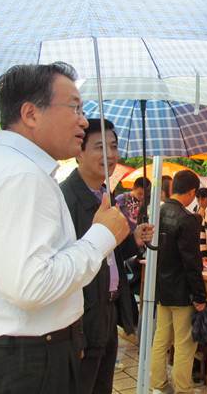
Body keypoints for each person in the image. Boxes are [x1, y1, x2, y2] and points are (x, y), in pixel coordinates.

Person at [0, 62, 130, 394]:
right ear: (31, 114)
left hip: (17, 359)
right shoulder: (20, 175)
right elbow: (32, 285)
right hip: (26, 364)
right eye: (74, 107)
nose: (83, 121)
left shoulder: (6, 168)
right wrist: (101, 237)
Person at [59, 119, 154, 394]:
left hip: (108, 310)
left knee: (103, 386)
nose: (110, 155)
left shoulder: (107, 196)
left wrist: (134, 239)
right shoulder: (65, 199)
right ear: (79, 152)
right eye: (100, 147)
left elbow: (109, 253)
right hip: (82, 317)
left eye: (113, 147)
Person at [150, 170, 207, 394]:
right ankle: (183, 389)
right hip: (182, 291)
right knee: (185, 343)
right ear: (192, 192)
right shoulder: (187, 219)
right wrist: (200, 296)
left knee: (161, 339)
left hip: (162, 289)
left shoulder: (157, 212)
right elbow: (192, 262)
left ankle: (158, 385)